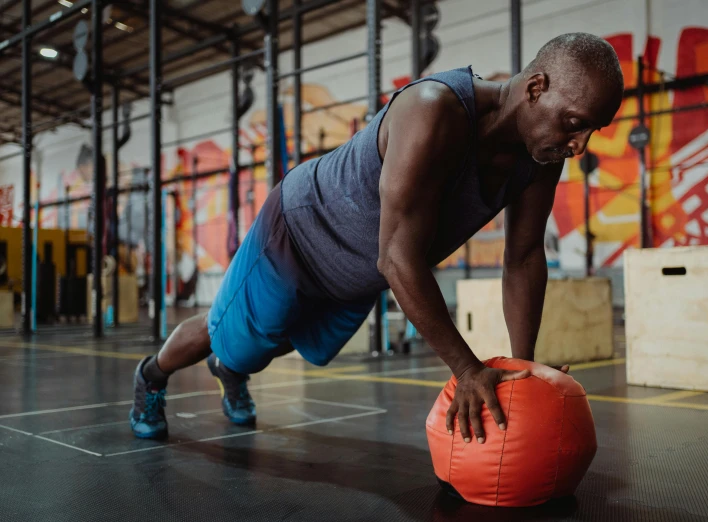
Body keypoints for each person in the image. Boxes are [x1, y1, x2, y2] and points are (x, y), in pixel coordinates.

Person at [129, 32, 624, 444]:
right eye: (576, 123)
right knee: (232, 338)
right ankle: (153, 374)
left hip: (353, 274)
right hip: (297, 237)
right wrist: (467, 370)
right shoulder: (434, 111)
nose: (580, 144)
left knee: (286, 340)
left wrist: (522, 367)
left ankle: (233, 367)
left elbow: (522, 258)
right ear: (536, 87)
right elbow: (397, 256)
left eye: (592, 131)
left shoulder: (541, 159)